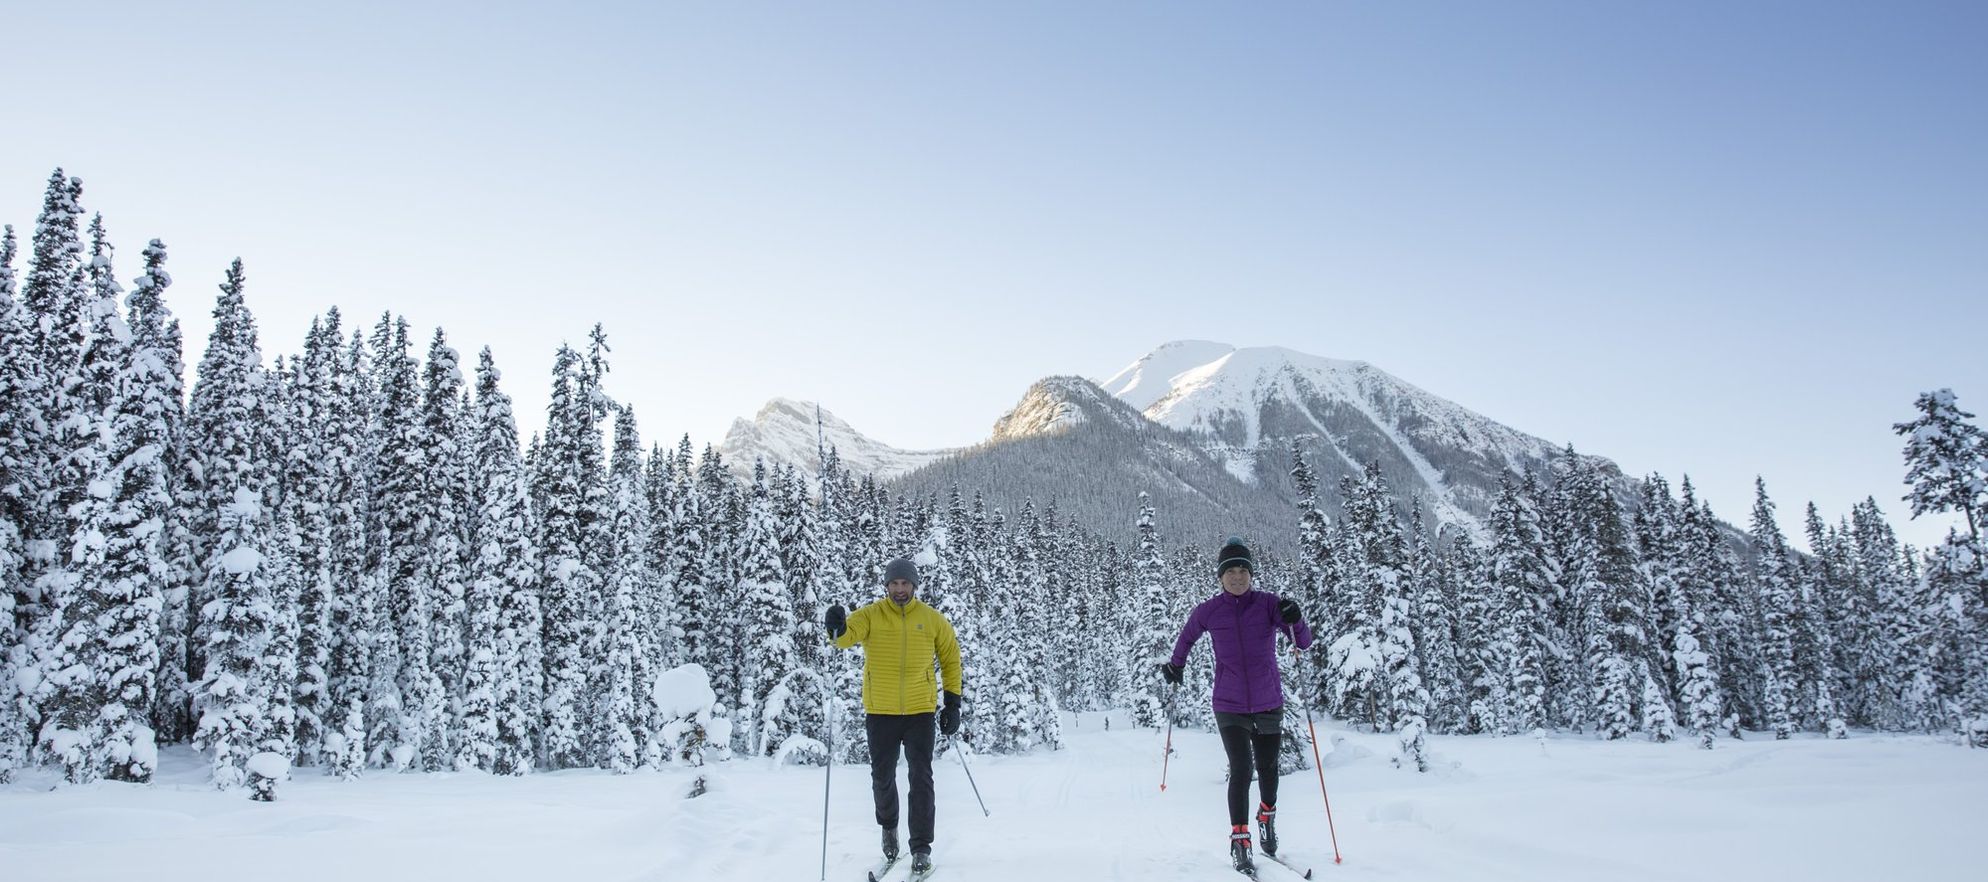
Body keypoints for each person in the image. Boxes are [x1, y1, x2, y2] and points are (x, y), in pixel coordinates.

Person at [1161, 536, 1313, 875]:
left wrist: (1295, 618)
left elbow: (1302, 641)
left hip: (1268, 701)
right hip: (1228, 703)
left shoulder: (1269, 605)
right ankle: (1240, 840)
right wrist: (1176, 664)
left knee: (1269, 767)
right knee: (1242, 767)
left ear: (1251, 574)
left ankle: (1266, 816)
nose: (1237, 576)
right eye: (1231, 570)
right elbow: (1187, 636)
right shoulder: (1209, 611)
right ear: (1220, 577)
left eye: (1243, 570)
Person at [825, 557, 963, 877]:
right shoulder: (871, 615)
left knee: (921, 777)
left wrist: (952, 704)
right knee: (882, 777)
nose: (899, 589)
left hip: (920, 711)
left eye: (905, 583)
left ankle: (921, 849)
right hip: (880, 711)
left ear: (914, 585)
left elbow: (951, 659)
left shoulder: (932, 620)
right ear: (886, 585)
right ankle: (889, 828)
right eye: (894, 583)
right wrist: (837, 626)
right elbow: (844, 638)